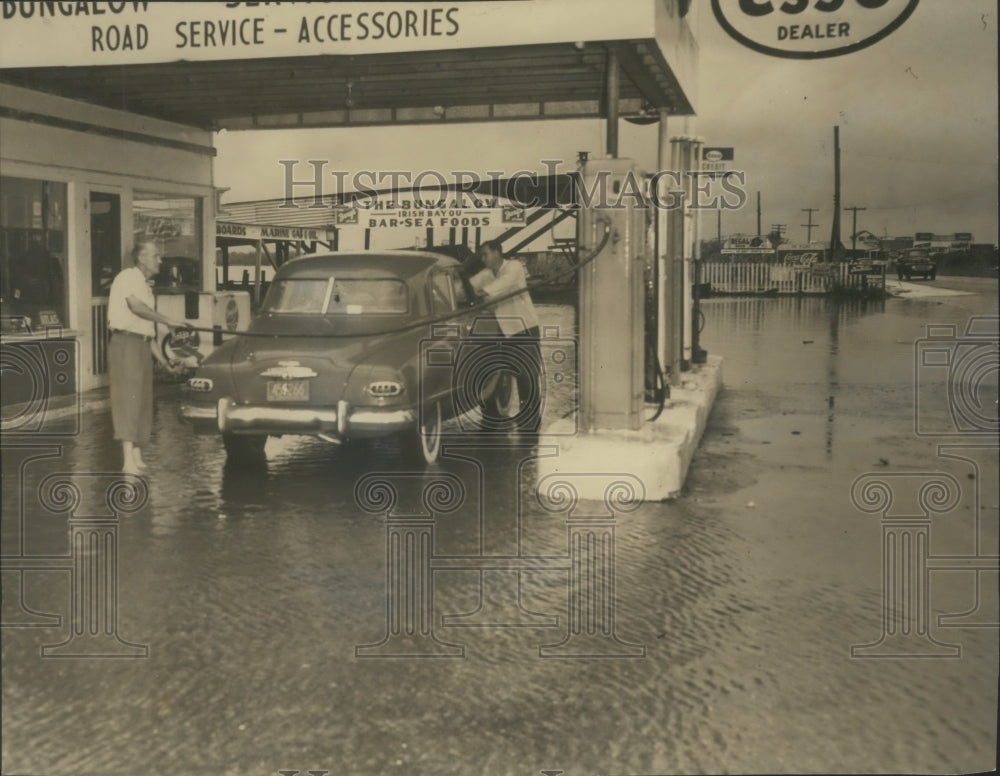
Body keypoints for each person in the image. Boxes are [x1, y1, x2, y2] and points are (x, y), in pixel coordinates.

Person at [107, 240, 184, 474]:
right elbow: (136, 308)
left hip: (140, 344)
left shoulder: (145, 285)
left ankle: (137, 453)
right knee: (128, 400)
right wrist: (170, 321)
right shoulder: (127, 277)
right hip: (124, 343)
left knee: (142, 402)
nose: (160, 260)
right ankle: (126, 459)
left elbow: (147, 334)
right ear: (141, 257)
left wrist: (165, 362)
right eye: (156, 256)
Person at [468, 241, 542, 430]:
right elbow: (468, 286)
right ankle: (493, 414)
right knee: (495, 368)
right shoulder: (486, 274)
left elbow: (502, 284)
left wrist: (481, 292)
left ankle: (530, 419)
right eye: (481, 256)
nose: (483, 259)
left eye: (485, 254)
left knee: (526, 374)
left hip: (524, 327)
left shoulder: (514, 267)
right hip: (503, 330)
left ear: (497, 252)